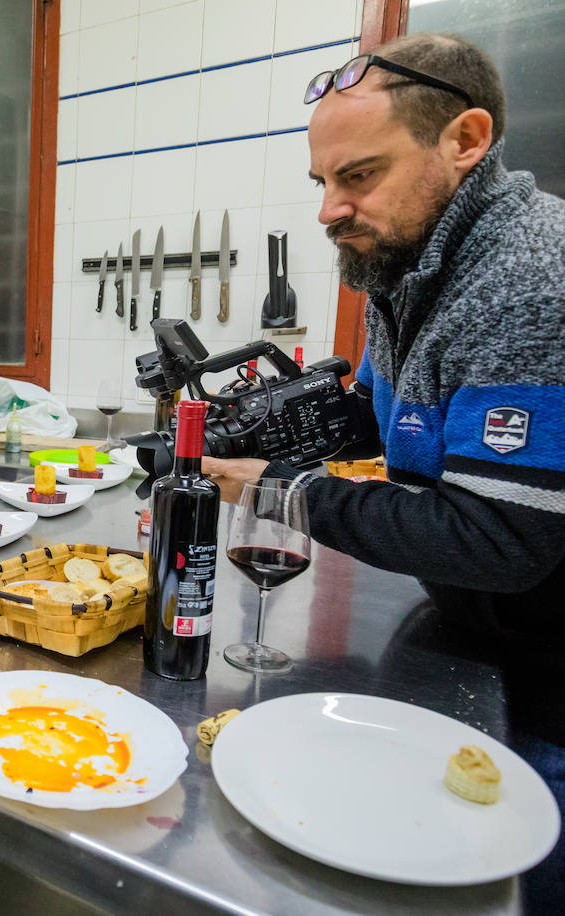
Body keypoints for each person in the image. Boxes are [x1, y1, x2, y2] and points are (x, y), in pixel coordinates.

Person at [201, 34, 564, 904]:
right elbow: (393, 417)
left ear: (466, 140)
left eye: (357, 176)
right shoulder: (406, 267)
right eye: (322, 182)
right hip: (472, 638)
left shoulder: (532, 277)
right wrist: (282, 424)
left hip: (552, 681)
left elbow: (500, 537)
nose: (329, 208)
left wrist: (282, 490)